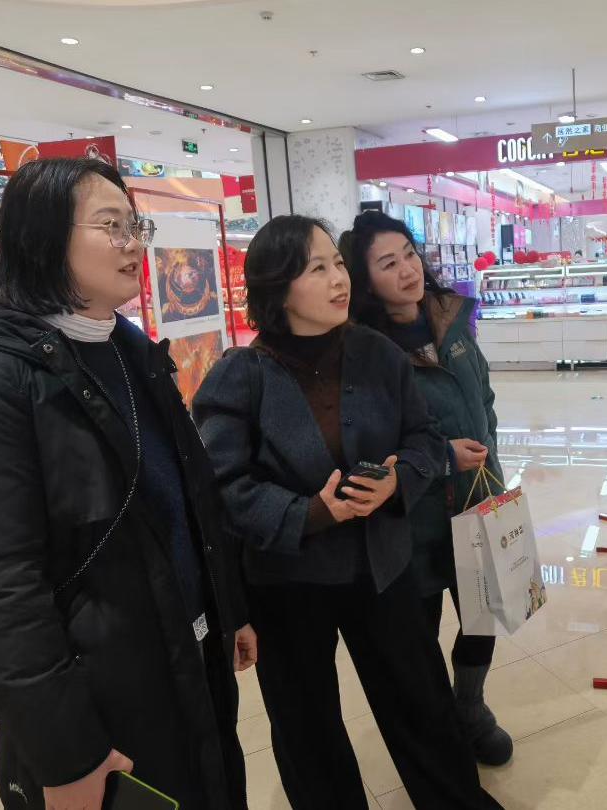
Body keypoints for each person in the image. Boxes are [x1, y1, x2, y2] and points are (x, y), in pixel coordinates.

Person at [0, 157, 255, 810]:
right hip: (98, 692)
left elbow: (184, 502)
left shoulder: (130, 350)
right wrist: (65, 754)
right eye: (112, 226)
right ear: (43, 237)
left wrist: (229, 608)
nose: (133, 243)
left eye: (136, 225)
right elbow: (1, 585)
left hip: (183, 657)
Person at [193, 215, 504, 810]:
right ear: (278, 288)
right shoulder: (240, 376)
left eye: (338, 263)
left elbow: (422, 437)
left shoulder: (376, 353)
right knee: (307, 727)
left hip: (383, 567)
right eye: (318, 268)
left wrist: (398, 480)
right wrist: (310, 511)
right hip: (287, 584)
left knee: (421, 704)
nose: (339, 278)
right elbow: (222, 489)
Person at [340, 210, 514, 766]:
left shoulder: (451, 319)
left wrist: (489, 453)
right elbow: (368, 439)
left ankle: (471, 708)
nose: (408, 270)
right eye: (388, 263)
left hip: (476, 500)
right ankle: (438, 726)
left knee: (482, 615)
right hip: (413, 515)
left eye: (410, 255)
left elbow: (483, 396)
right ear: (366, 280)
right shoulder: (364, 350)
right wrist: (441, 457)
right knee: (421, 629)